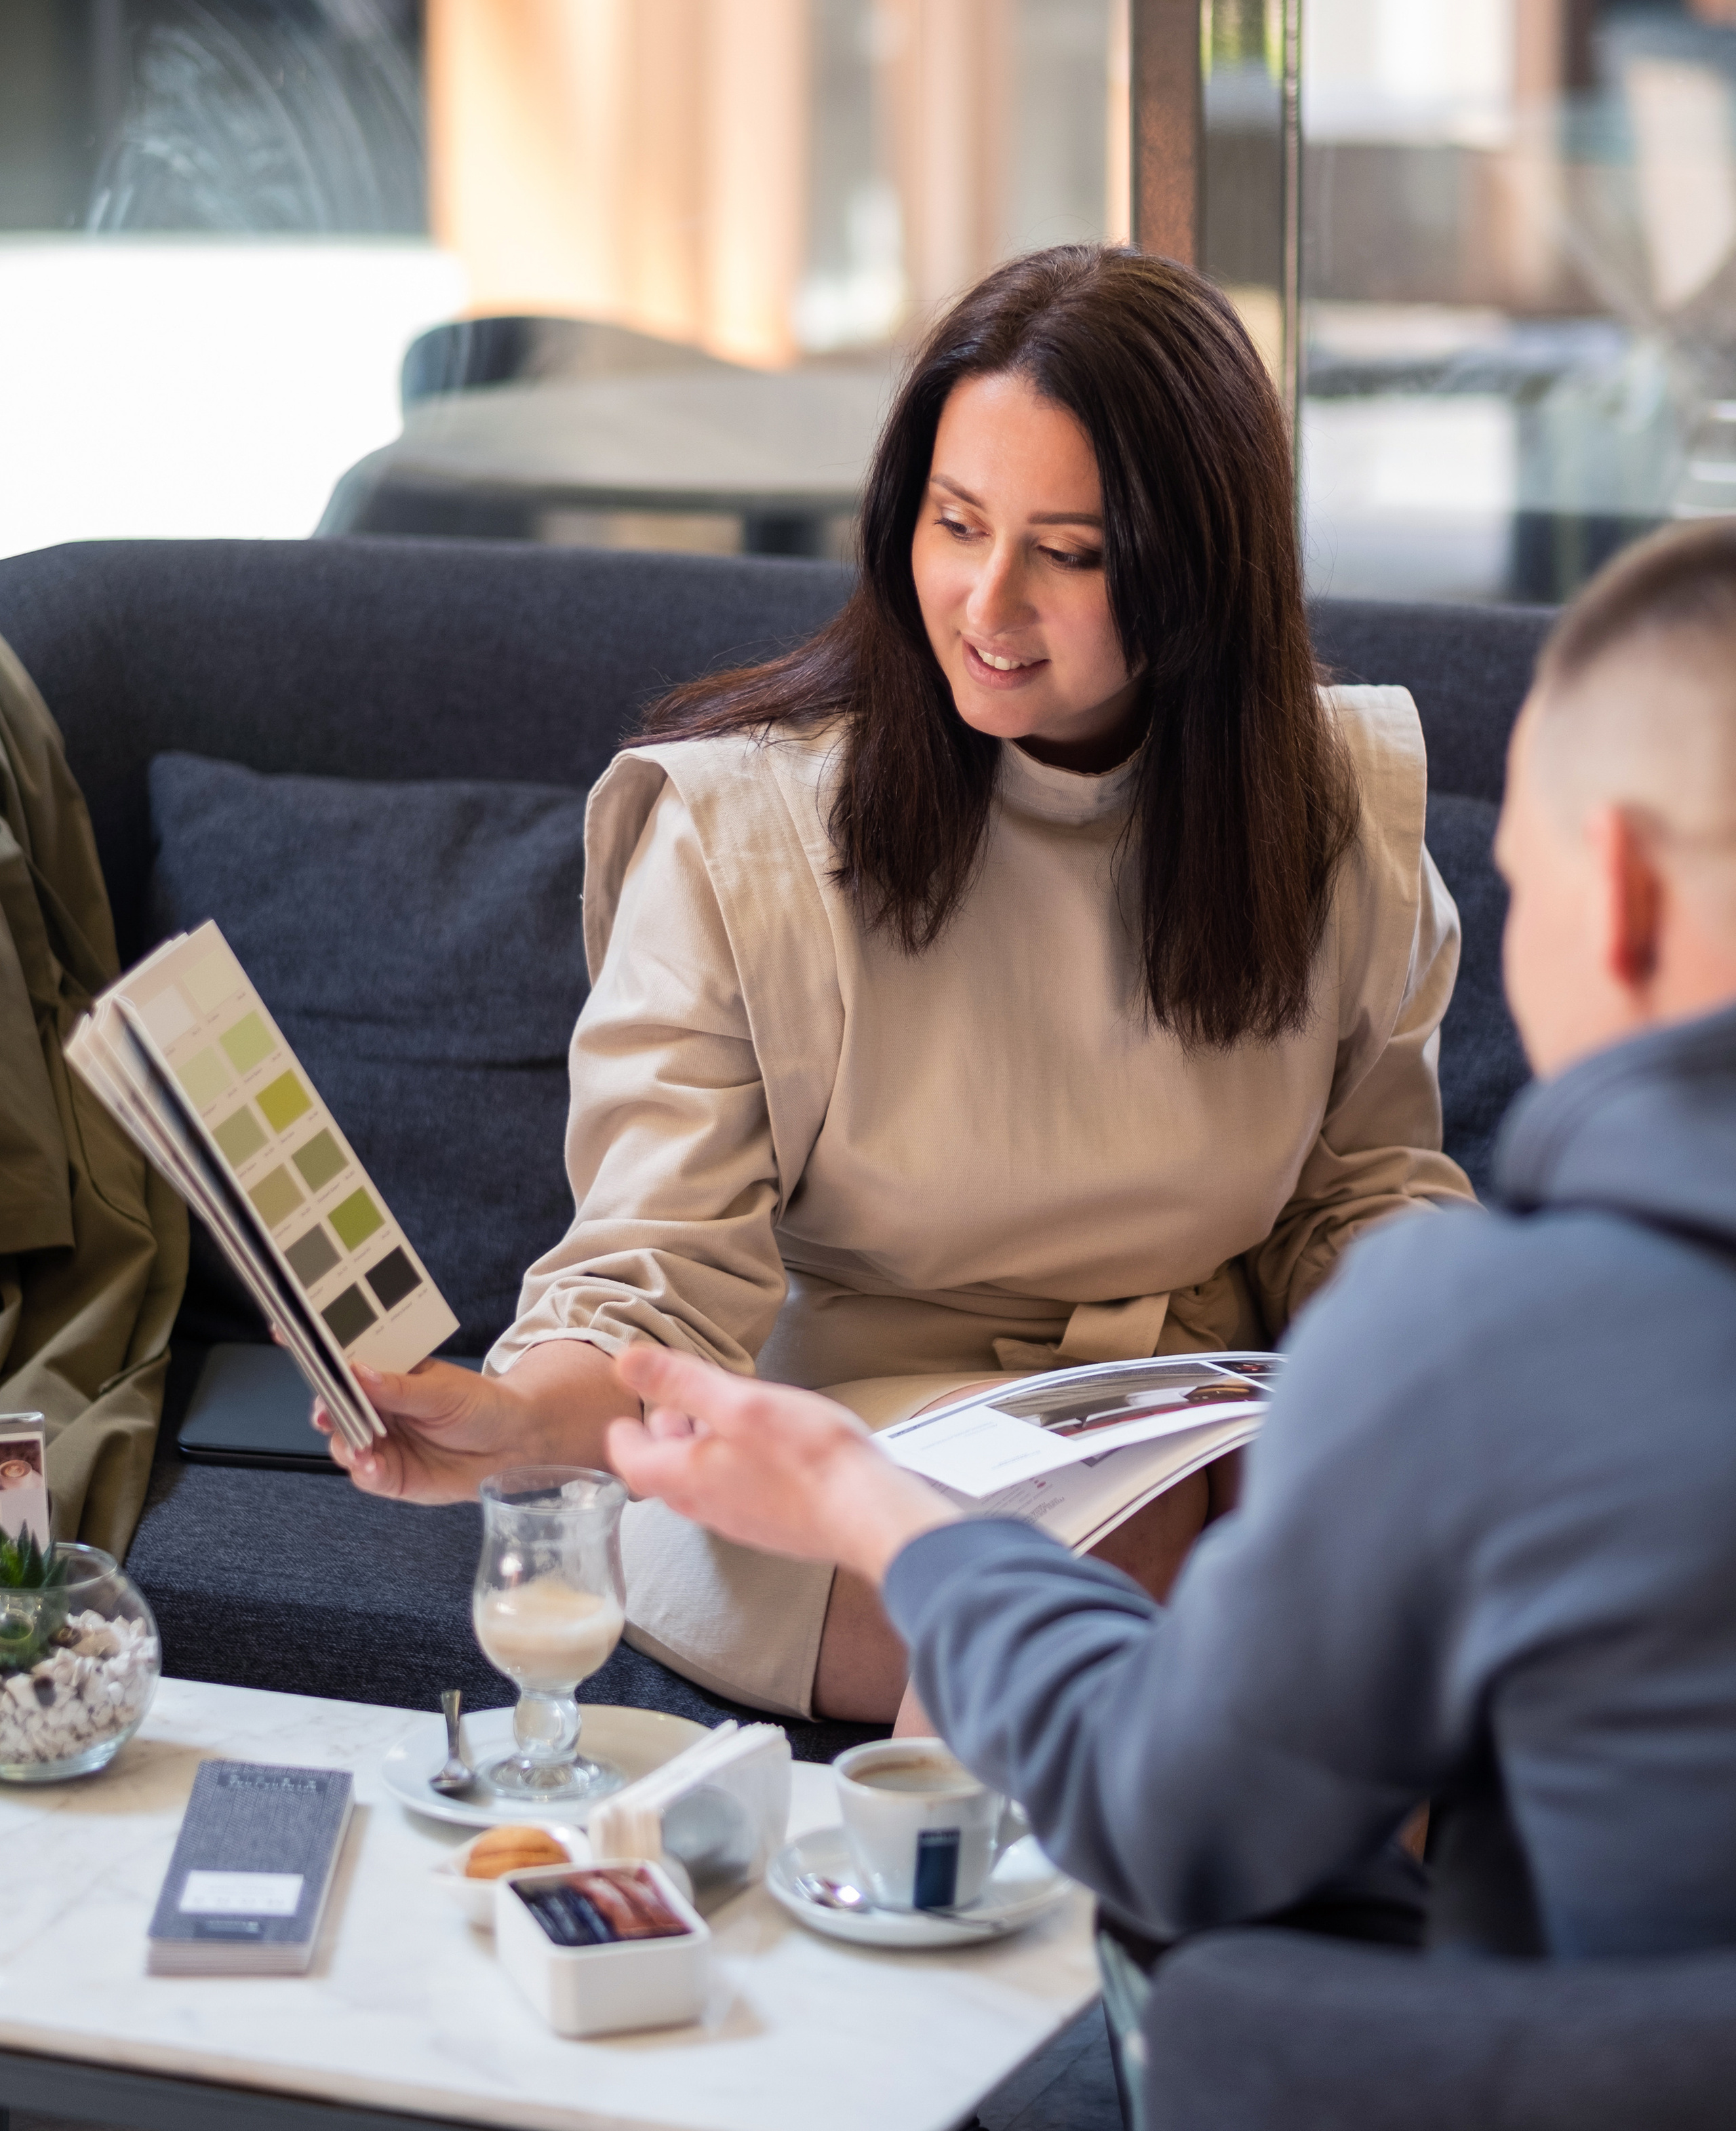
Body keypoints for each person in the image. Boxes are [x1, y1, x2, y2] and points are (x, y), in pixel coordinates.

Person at [321, 244, 1472, 1719]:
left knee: (1431, 1566)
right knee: (1109, 1576)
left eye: (1068, 553)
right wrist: (515, 1420)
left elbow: (1360, 1188)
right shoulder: (746, 836)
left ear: (1199, 570)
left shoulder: (1321, 814)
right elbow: (655, 1275)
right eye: (954, 523)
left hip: (1200, 1411)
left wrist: (1439, 1385)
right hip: (829, 1454)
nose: (986, 604)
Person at [603, 522, 1736, 1985]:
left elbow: (1177, 1809)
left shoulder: (1483, 1337)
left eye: (1522, 881)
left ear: (1621, 891)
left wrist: (864, 1500)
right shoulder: (750, 836)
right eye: (954, 523)